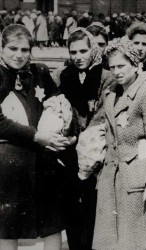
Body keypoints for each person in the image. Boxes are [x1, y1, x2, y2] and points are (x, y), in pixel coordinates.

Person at [0, 24, 76, 250]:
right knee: (8, 223)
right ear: (1, 48)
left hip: (44, 159)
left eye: (24, 50)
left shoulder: (40, 72)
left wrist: (67, 134)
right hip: (10, 162)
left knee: (51, 221)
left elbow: (60, 104)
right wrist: (36, 136)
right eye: (13, 48)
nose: (19, 55)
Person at [92, 37, 146, 250]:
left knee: (140, 242)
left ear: (135, 64)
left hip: (138, 182)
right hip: (111, 179)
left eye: (122, 66)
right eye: (112, 67)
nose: (117, 71)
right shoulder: (111, 96)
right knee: (113, 241)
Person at [53, 27, 113, 250]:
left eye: (83, 51)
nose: (78, 57)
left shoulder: (106, 77)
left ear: (93, 50)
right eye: (73, 52)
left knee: (93, 212)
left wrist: (85, 139)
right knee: (71, 212)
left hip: (95, 154)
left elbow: (103, 114)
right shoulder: (61, 75)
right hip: (68, 152)